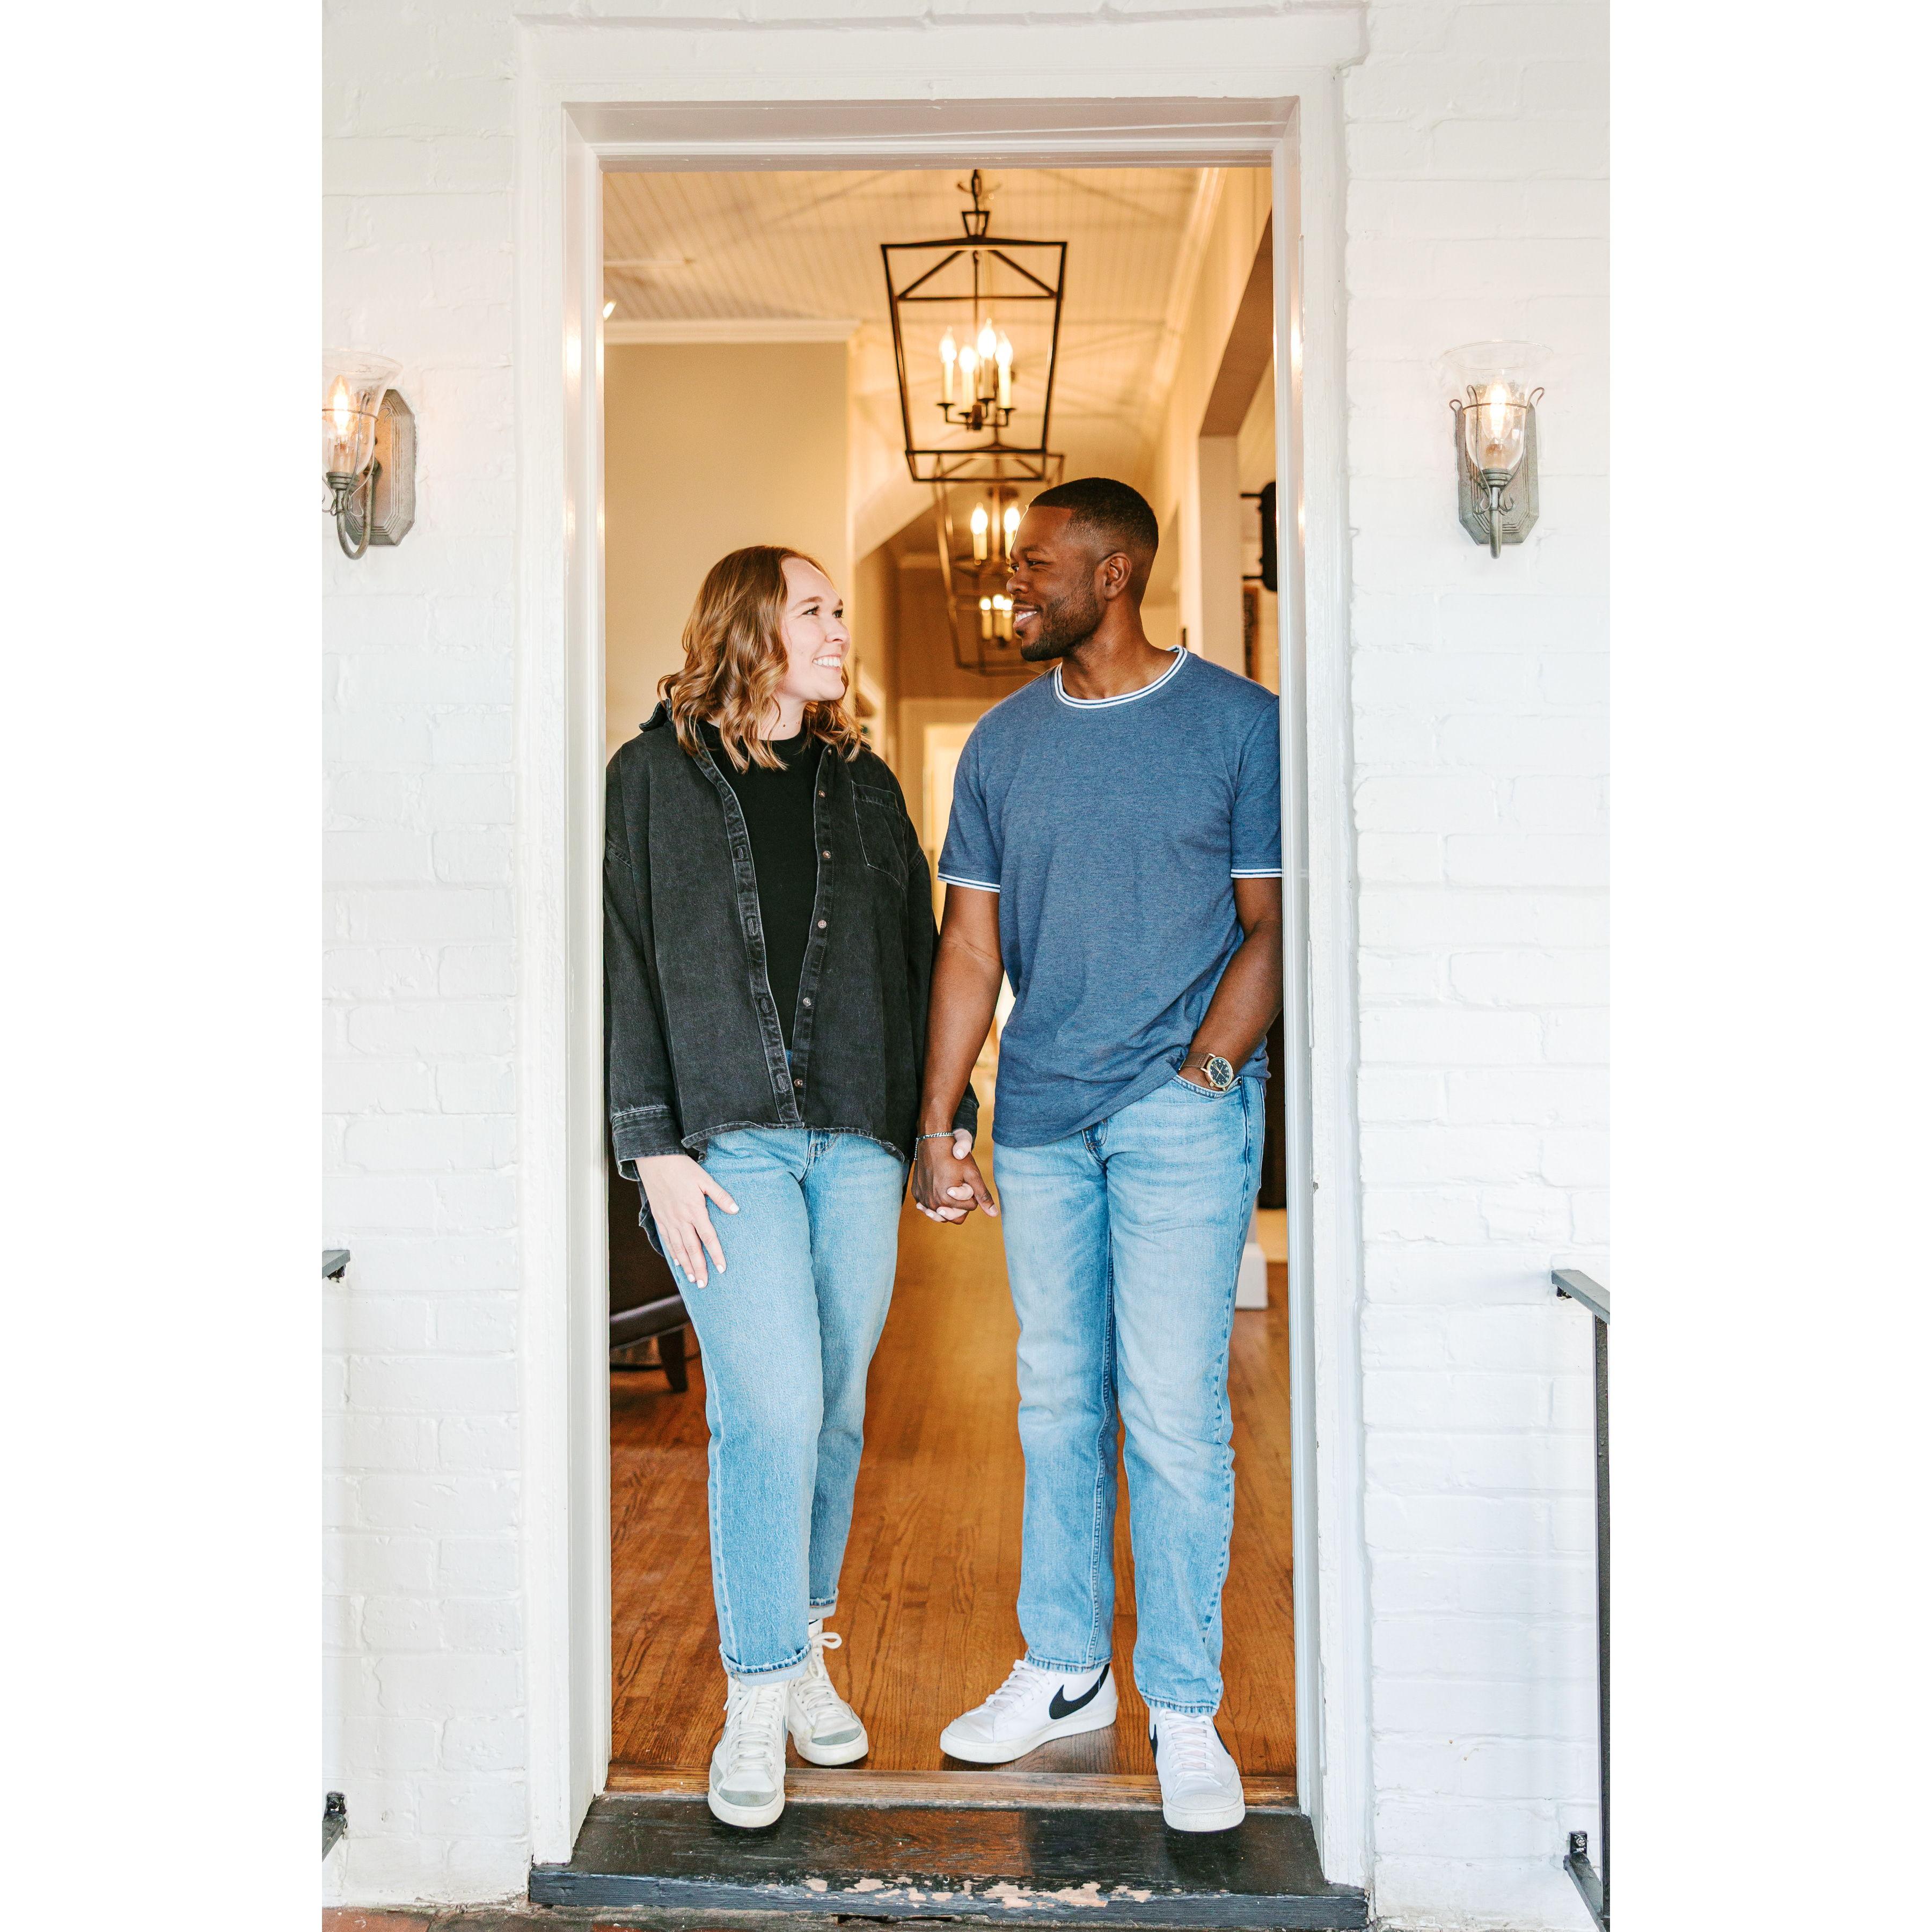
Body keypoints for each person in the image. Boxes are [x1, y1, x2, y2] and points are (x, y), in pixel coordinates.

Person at [912, 478, 1283, 1834]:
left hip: (1180, 1111)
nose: (1011, 585)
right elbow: (971, 945)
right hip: (1043, 1119)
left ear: (1112, 574)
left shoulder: (1239, 725)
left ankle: (1183, 1706)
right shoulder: (1003, 745)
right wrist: (941, 1117)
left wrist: (1210, 1073)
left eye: (1034, 566)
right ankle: (1067, 1669)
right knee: (1058, 1402)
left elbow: (1271, 923)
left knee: (1174, 1414)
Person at [604, 545, 974, 1829]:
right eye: (814, 611)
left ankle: (805, 1648)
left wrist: (942, 1127)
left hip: (857, 1135)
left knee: (833, 1410)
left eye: (836, 613)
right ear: (751, 626)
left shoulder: (865, 785)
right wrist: (651, 1146)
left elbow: (918, 955)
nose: (837, 631)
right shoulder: (651, 778)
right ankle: (757, 1694)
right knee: (768, 1408)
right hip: (727, 1147)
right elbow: (623, 953)